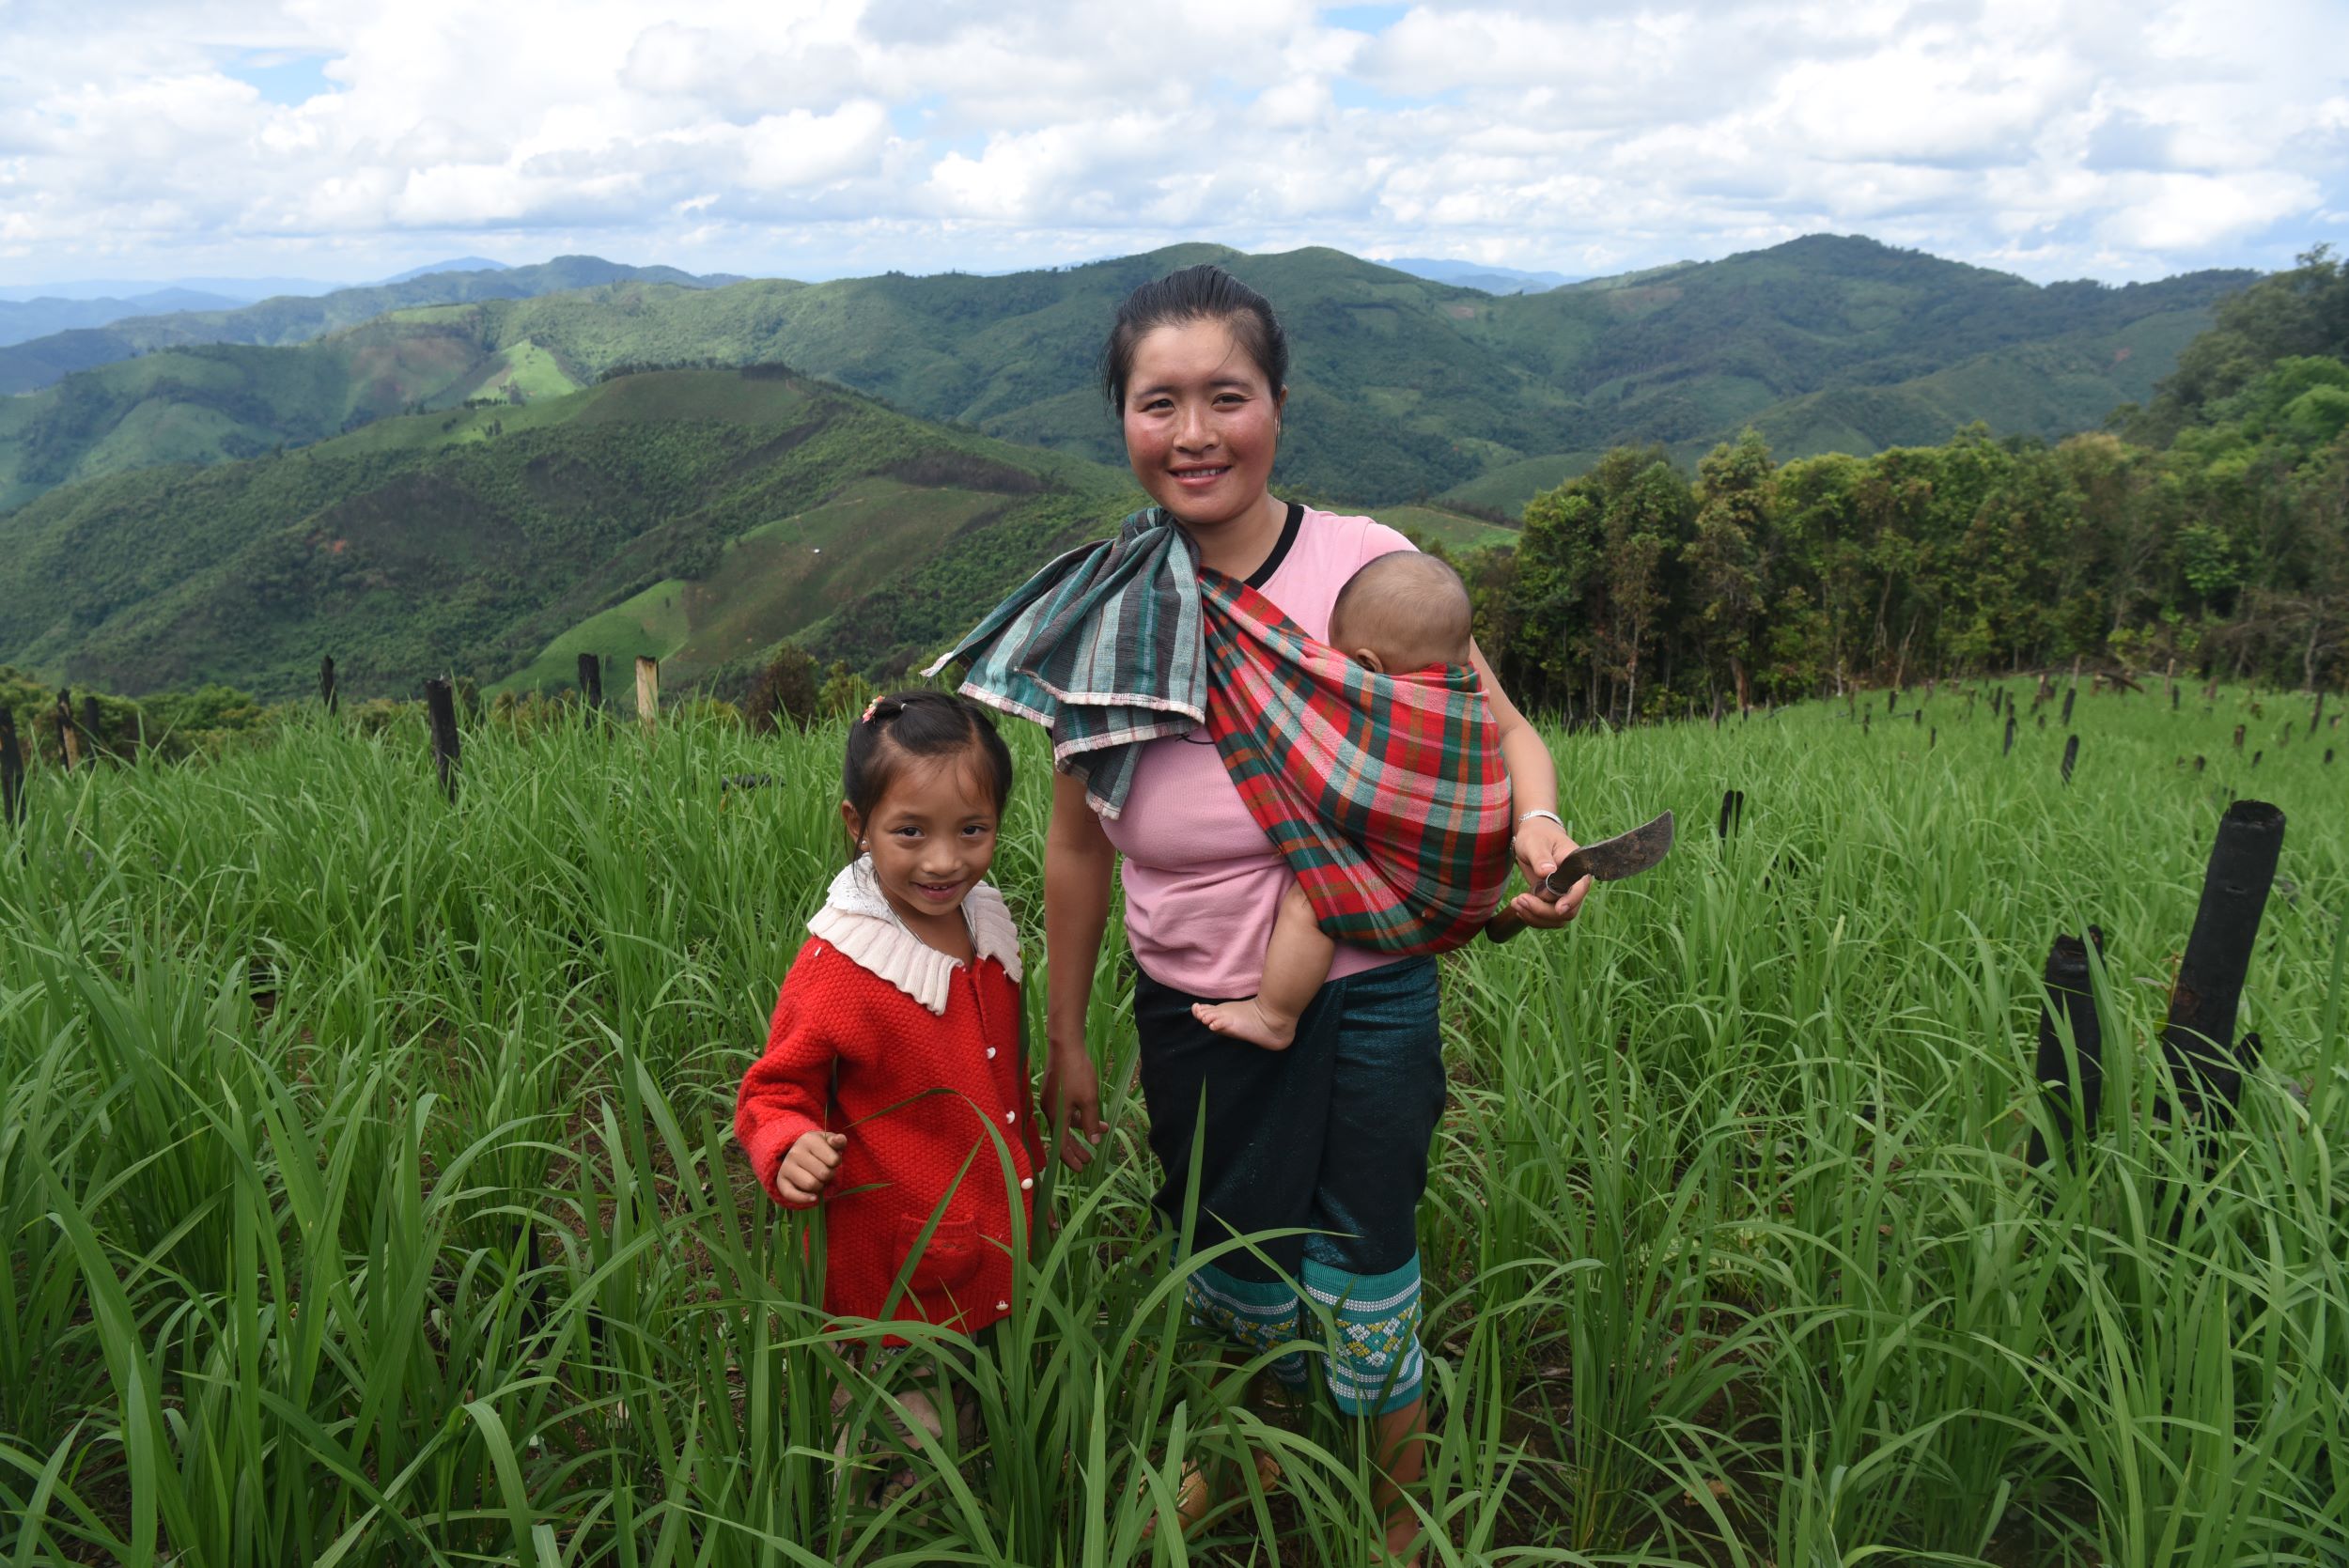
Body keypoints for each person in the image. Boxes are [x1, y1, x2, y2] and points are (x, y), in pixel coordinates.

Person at [947, 264, 1587, 1565]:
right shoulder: (1105, 611)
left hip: (1361, 998)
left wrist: (1538, 826)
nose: (1193, 433)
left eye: (1224, 397)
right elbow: (1077, 847)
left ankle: (1398, 1509)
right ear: (1120, 419)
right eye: (1157, 402)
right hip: (1188, 1005)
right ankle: (1246, 1452)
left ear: (1277, 407)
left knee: (1364, 1250)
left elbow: (1500, 730)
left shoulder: (1370, 566)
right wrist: (1066, 1034)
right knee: (1221, 1252)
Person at [734, 690, 1038, 1504]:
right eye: (911, 832)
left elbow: (998, 1074)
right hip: (898, 1270)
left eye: (972, 830)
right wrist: (788, 1142)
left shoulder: (985, 923)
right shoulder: (845, 963)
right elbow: (772, 1089)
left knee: (972, 1414)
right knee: (902, 1446)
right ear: (857, 824)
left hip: (986, 1245)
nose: (944, 861)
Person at [1190, 550, 1497, 1051]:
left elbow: (1348, 791)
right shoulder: (1466, 698)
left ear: (1367, 666)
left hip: (1430, 896)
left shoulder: (1397, 722)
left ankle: (1273, 1016)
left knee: (1313, 900)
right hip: (1479, 884)